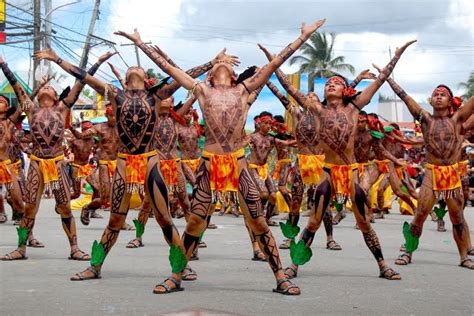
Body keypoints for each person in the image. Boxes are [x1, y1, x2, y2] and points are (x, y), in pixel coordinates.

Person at [115, 19, 327, 294]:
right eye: (216, 65)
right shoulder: (202, 91)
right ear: (211, 76)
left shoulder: (243, 90)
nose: (221, 65)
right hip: (208, 163)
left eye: (224, 64)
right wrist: (140, 44)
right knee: (194, 221)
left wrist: (302, 38)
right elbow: (170, 69)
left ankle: (280, 277)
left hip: (237, 163)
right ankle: (176, 276)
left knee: (258, 220)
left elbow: (274, 64)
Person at [34, 45, 238, 285]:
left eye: (138, 67)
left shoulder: (155, 97)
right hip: (124, 162)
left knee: (164, 218)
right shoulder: (115, 94)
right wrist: (57, 58)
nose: (134, 68)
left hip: (150, 161)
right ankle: (95, 266)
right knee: (115, 221)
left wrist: (211, 62)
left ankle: (181, 265)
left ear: (145, 79)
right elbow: (83, 76)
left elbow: (182, 75)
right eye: (131, 67)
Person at [261, 40, 416, 280]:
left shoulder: (355, 108)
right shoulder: (318, 111)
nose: (331, 86)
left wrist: (397, 55)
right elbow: (290, 90)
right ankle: (295, 264)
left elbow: (379, 80)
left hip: (351, 172)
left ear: (345, 90)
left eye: (336, 83)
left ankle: (383, 265)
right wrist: (274, 60)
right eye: (328, 84)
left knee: (364, 223)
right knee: (313, 222)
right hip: (328, 172)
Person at [376, 66, 474, 269]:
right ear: (430, 101)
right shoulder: (425, 119)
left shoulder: (458, 120)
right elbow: (404, 97)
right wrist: (387, 78)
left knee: (457, 217)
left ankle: (464, 256)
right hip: (431, 171)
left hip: (452, 173)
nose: (438, 97)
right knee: (420, 213)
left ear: (450, 101)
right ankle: (408, 251)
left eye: (443, 95)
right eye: (435, 95)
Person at [0, 54, 95, 261]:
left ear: (56, 96)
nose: (45, 88)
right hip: (36, 162)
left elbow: (80, 84)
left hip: (57, 162)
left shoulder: (62, 109)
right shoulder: (31, 110)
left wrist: (97, 63)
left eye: (49, 88)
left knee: (64, 206)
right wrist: (3, 64)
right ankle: (21, 248)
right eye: (43, 88)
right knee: (31, 206)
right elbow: (17, 87)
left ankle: (74, 248)